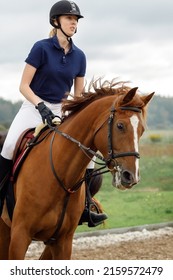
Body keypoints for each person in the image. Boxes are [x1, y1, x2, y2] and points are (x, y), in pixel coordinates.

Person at [0, 0, 107, 226]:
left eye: (76, 20)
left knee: (86, 156)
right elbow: (23, 86)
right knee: (9, 146)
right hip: (33, 106)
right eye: (69, 18)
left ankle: (85, 207)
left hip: (61, 109)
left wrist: (76, 114)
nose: (73, 23)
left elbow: (78, 95)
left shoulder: (80, 56)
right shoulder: (41, 48)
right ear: (56, 21)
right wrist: (40, 106)